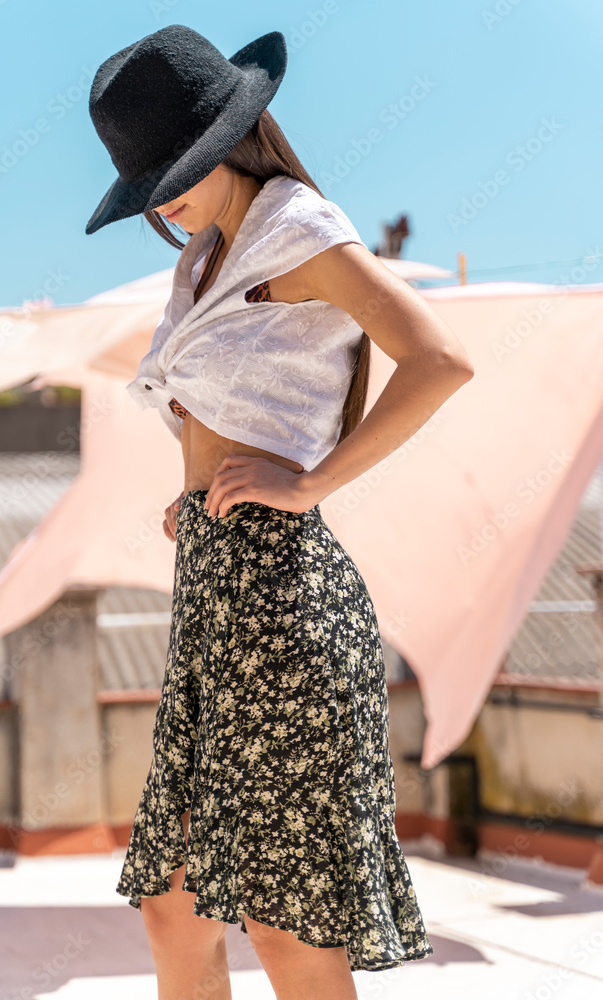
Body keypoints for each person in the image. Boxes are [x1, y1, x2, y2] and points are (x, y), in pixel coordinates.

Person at [85, 24, 474, 1000]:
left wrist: (308, 482)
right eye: (147, 182)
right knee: (174, 906)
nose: (163, 196)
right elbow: (241, 406)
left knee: (282, 921)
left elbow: (439, 360)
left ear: (229, 133)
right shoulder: (201, 260)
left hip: (282, 603)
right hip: (213, 599)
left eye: (176, 167)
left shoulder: (294, 225)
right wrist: (193, 492)